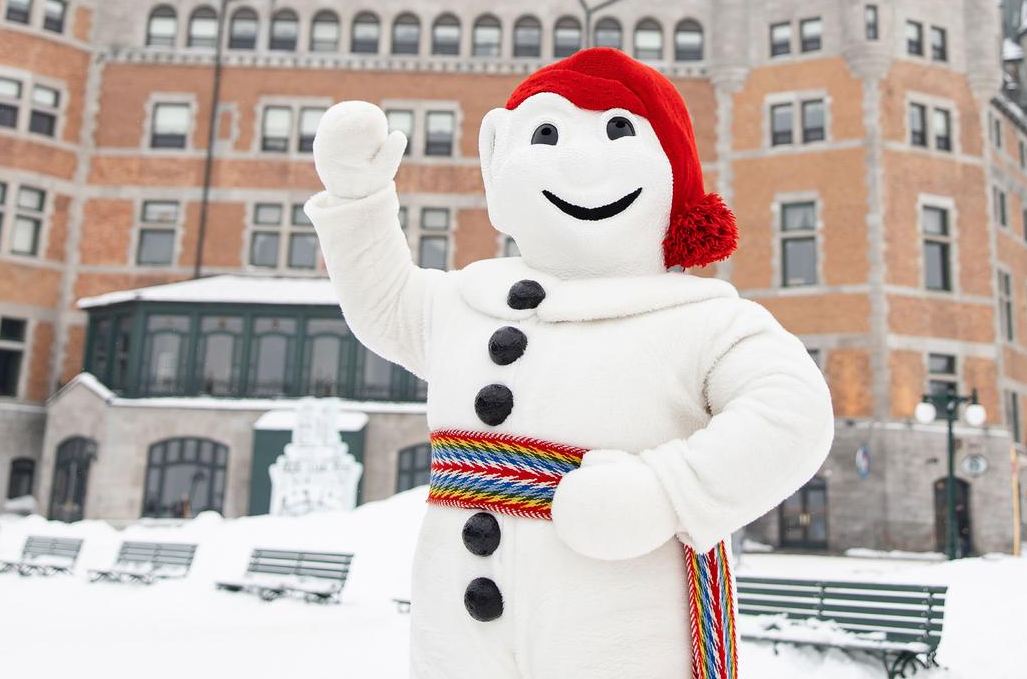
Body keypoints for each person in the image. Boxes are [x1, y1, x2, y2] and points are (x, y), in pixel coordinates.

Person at [307, 49, 834, 678]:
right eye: (548, 134)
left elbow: (792, 413)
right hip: (456, 631)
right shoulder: (464, 301)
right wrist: (359, 199)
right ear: (498, 159)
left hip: (617, 623)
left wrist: (666, 493)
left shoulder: (701, 319)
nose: (579, 160)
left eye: (618, 130)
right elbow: (386, 302)